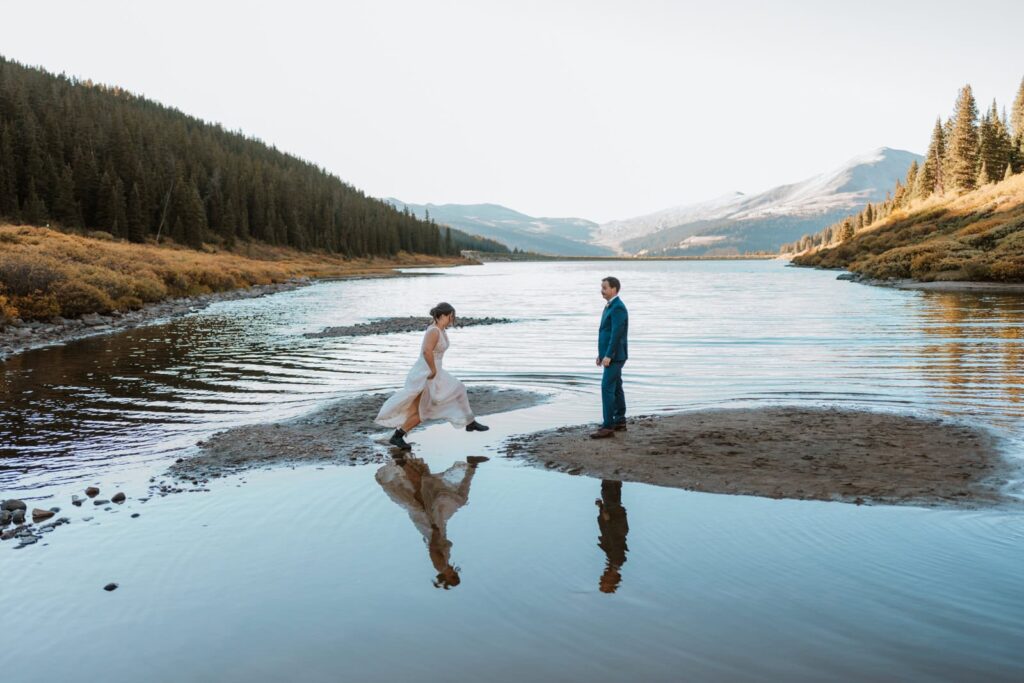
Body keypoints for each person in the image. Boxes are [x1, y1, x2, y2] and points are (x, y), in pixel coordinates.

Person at [375, 302, 488, 451]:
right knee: (421, 412)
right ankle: (397, 436)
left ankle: (469, 422)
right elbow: (426, 352)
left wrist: (436, 370)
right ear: (443, 315)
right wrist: (433, 370)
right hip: (426, 373)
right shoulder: (433, 331)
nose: (452, 320)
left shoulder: (441, 330)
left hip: (436, 371)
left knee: (458, 389)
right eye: (450, 317)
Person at [375, 455, 488, 589]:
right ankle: (471, 467)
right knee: (429, 491)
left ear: (446, 577)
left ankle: (472, 467)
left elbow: (433, 548)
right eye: (455, 575)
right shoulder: (445, 563)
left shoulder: (440, 566)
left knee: (424, 491)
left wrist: (434, 527)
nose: (454, 573)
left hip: (431, 525)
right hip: (435, 525)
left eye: (452, 576)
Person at [591, 276, 628, 439]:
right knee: (617, 386)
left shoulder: (618, 307)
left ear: (614, 289)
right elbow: (605, 332)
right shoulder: (609, 306)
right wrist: (601, 355)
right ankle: (619, 420)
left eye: (605, 287)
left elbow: (616, 334)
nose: (602, 290)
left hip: (616, 355)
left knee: (606, 387)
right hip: (609, 354)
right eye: (602, 287)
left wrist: (609, 355)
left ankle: (608, 427)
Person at [595, 480, 629, 593]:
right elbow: (615, 538)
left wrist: (601, 507)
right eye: (604, 580)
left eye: (602, 580)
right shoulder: (617, 560)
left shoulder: (613, 561)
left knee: (612, 495)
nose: (601, 577)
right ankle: (613, 476)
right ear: (612, 579)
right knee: (608, 492)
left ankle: (615, 477)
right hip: (616, 520)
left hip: (615, 519)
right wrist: (608, 519)